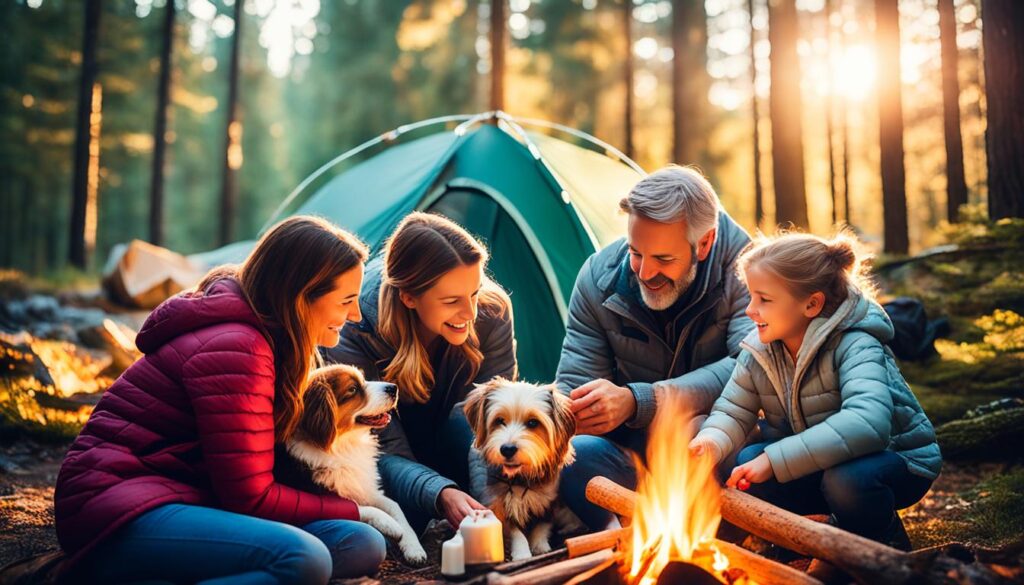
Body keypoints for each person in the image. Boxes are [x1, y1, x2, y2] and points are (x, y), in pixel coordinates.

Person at [53, 216, 386, 584]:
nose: (354, 315)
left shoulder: (272, 340)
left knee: (360, 544)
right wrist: (358, 508)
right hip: (120, 505)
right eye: (346, 301)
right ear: (301, 295)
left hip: (192, 496)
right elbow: (251, 497)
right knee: (305, 560)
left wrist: (356, 515)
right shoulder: (238, 347)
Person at [690, 231, 941, 549]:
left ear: (811, 304)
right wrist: (710, 442)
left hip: (894, 460)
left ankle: (883, 543)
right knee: (747, 460)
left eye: (764, 300)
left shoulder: (856, 343)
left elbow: (868, 424)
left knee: (845, 480)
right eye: (751, 296)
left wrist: (774, 459)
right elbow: (733, 410)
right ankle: (801, 543)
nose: (750, 310)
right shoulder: (760, 350)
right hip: (818, 464)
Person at [556, 165, 754, 530]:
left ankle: (701, 533)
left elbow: (749, 368)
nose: (644, 272)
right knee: (574, 456)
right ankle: (645, 533)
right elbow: (573, 388)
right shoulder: (598, 279)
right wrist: (586, 411)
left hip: (711, 449)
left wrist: (638, 401)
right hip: (630, 460)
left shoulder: (750, 274)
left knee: (701, 434)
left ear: (705, 243)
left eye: (663, 259)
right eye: (635, 252)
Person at [327, 212, 517, 531]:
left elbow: (495, 424)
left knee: (473, 417)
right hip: (390, 463)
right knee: (409, 517)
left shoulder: (491, 312)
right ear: (409, 297)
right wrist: (439, 492)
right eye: (452, 301)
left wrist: (492, 510)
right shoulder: (356, 328)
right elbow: (380, 446)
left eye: (474, 292)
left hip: (459, 447)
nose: (470, 313)